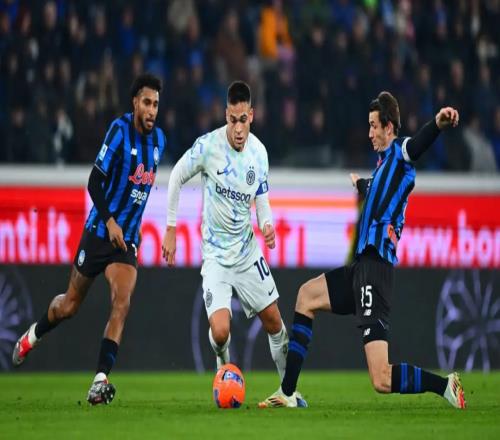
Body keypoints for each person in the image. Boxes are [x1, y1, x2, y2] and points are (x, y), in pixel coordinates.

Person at [259, 91, 466, 409]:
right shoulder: (383, 168)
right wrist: (360, 185)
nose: (369, 133)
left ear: (388, 127)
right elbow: (374, 187)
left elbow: (417, 145)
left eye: (373, 125)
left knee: (381, 378)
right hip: (361, 268)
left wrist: (437, 124)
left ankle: (445, 385)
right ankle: (288, 393)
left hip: (375, 270)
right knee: (306, 296)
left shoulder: (399, 153)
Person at [12, 73, 167, 405]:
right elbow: (94, 181)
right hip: (98, 233)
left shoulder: (159, 142)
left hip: (125, 242)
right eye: (147, 103)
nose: (152, 110)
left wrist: (131, 227)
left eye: (156, 104)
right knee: (69, 305)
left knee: (122, 301)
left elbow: (139, 192)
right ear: (135, 103)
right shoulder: (119, 131)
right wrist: (110, 222)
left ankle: (100, 380)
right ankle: (33, 335)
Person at [162, 81, 305, 406]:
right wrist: (170, 227)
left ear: (251, 115)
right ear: (225, 115)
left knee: (275, 322)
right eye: (232, 120)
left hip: (247, 252)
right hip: (215, 257)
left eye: (243, 120)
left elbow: (262, 198)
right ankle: (222, 362)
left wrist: (266, 225)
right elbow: (176, 176)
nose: (238, 128)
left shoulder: (259, 153)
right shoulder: (208, 147)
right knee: (221, 332)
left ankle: (288, 392)